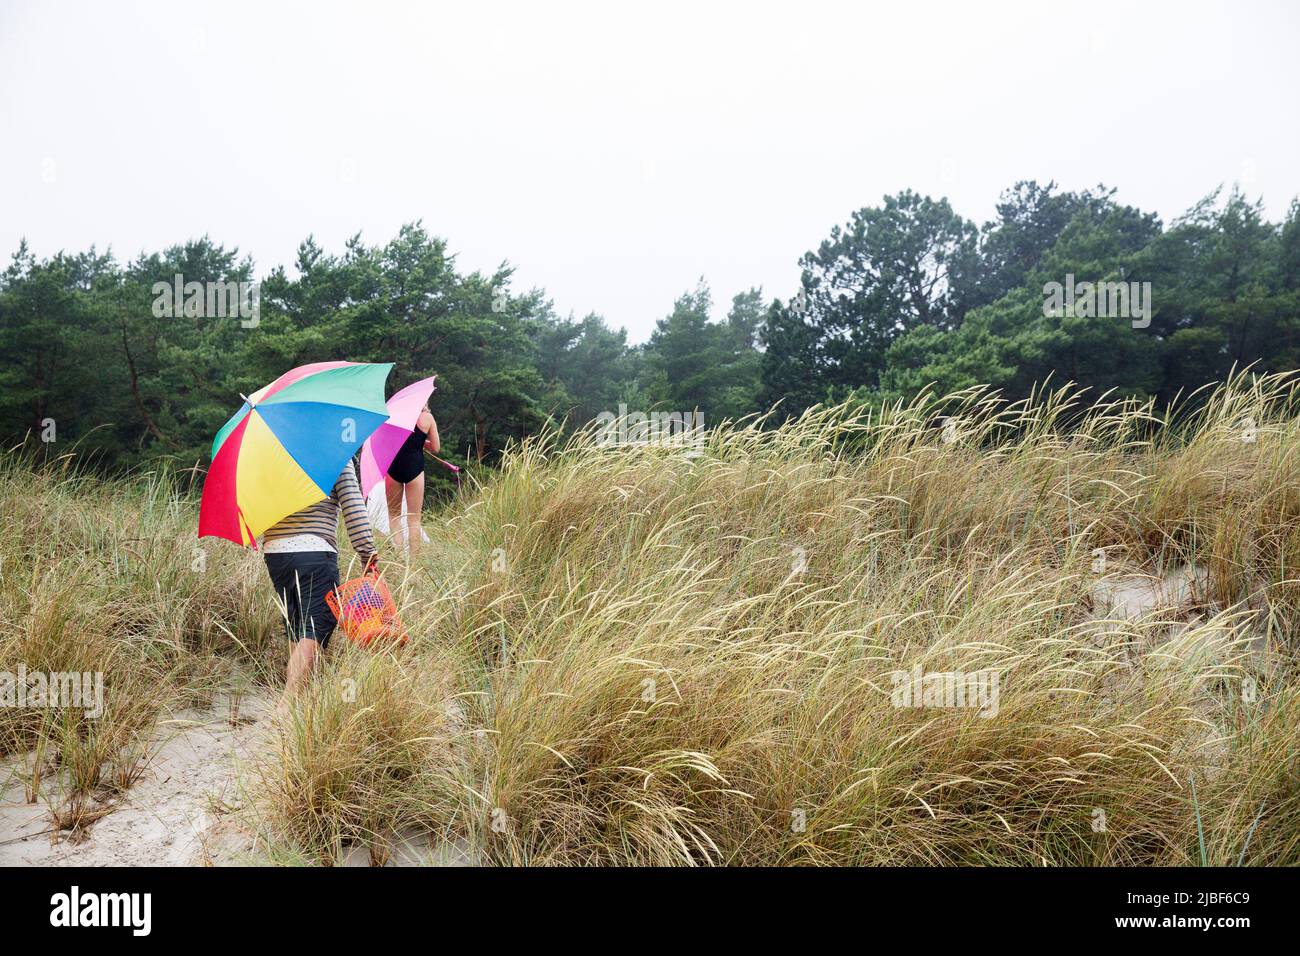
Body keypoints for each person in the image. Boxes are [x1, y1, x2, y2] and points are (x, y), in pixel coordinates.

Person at [262, 460, 377, 702]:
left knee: (297, 628)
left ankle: (299, 705)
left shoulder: (275, 451)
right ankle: (286, 705)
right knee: (317, 625)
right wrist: (367, 553)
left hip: (275, 551)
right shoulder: (335, 452)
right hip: (314, 550)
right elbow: (353, 507)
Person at [384, 401, 440, 553]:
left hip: (393, 467)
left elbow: (387, 441)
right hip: (415, 468)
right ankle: (414, 564)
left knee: (394, 515)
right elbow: (436, 447)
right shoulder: (427, 418)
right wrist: (421, 442)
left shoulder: (394, 416)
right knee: (414, 519)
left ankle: (399, 557)